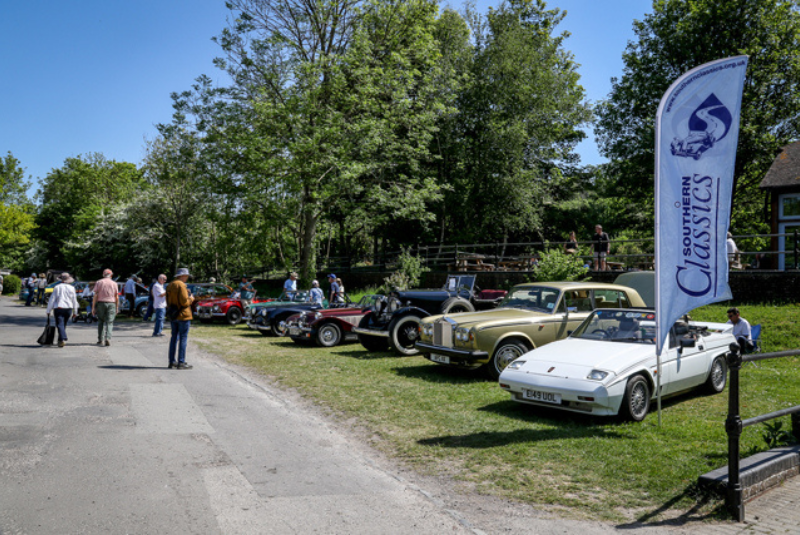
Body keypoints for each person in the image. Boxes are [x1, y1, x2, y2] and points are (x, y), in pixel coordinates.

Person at [167, 268, 195, 369]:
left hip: (173, 314)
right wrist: (191, 298)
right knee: (183, 338)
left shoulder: (170, 284)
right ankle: (181, 362)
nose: (187, 277)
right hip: (183, 315)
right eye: (186, 276)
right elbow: (184, 302)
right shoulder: (181, 285)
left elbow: (168, 301)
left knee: (174, 338)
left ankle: (171, 361)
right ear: (182, 276)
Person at [46, 273, 79, 348]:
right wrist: (75, 312)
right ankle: (60, 340)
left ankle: (63, 338)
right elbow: (74, 300)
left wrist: (48, 310)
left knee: (59, 324)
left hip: (59, 308)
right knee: (63, 324)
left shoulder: (57, 287)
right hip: (68, 309)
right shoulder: (72, 288)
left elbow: (52, 299)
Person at [92, 269, 120, 346]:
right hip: (111, 303)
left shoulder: (99, 282)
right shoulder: (114, 283)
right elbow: (116, 296)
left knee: (100, 321)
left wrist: (93, 307)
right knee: (110, 322)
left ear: (103, 275)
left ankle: (100, 339)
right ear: (111, 275)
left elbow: (95, 295)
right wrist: (117, 307)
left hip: (101, 303)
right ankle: (107, 338)